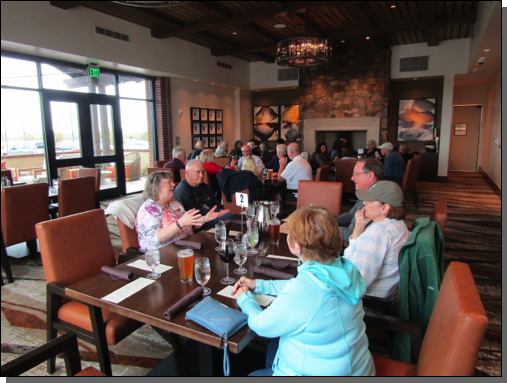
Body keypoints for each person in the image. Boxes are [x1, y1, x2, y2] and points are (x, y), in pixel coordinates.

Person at [232, 206, 376, 376]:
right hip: (357, 367)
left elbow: (260, 325)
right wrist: (260, 285)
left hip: (320, 370)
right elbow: (299, 287)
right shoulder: (344, 269)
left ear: (297, 247)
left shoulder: (305, 289)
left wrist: (245, 299)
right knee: (274, 347)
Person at [343, 181, 410, 300]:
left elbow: (357, 284)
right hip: (373, 293)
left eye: (370, 201)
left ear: (385, 208)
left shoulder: (379, 232)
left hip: (367, 302)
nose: (364, 203)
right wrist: (359, 225)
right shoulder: (396, 224)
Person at [135, 172, 223, 250]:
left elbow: (189, 226)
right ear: (157, 187)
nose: (173, 184)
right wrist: (179, 223)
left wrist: (204, 219)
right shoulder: (149, 209)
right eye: (169, 182)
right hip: (163, 254)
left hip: (187, 246)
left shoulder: (175, 203)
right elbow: (154, 238)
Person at [173, 159, 232, 230]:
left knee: (231, 217)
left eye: (202, 172)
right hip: (198, 223)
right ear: (187, 173)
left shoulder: (204, 186)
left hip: (212, 217)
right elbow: (195, 214)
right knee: (228, 217)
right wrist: (218, 213)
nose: (201, 175)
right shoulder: (182, 191)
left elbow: (217, 205)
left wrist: (222, 211)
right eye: (198, 172)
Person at [336, 158, 384, 242]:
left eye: (356, 174)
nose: (352, 178)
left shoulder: (373, 200)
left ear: (370, 176)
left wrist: (323, 227)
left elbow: (350, 234)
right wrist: (327, 220)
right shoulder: (367, 192)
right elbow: (350, 216)